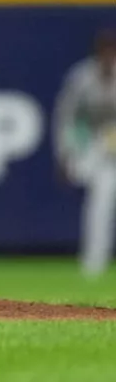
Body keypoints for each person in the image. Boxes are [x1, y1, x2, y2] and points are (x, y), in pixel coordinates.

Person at [53, 29, 117, 277]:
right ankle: (94, 263)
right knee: (101, 201)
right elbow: (66, 117)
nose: (108, 55)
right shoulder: (82, 77)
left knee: (103, 199)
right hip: (96, 148)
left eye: (113, 50)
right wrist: (65, 154)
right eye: (105, 49)